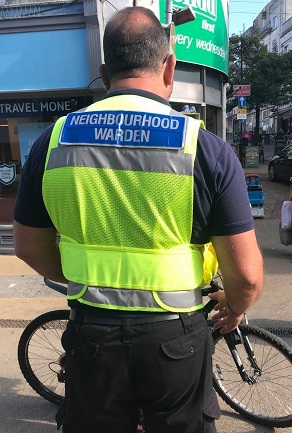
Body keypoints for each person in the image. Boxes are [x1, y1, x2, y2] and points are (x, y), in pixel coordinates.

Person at [13, 6, 263, 433]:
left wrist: (85, 278)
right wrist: (236, 308)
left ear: (104, 70)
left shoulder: (53, 142)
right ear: (169, 67)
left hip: (91, 334)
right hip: (176, 341)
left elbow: (29, 246)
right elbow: (248, 276)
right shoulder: (205, 148)